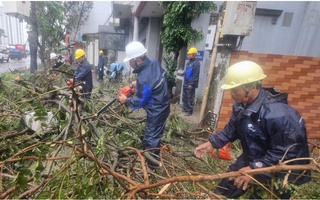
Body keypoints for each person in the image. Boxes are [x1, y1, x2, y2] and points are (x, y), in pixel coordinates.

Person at [194, 61, 311, 198]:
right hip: (254, 156)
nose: (231, 94)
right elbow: (232, 129)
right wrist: (212, 143)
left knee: (261, 195)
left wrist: (255, 169)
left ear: (250, 86)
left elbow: (288, 153)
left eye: (235, 89)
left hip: (279, 171)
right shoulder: (241, 105)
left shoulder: (278, 115)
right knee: (227, 184)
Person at [117, 41, 170, 169]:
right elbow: (153, 81)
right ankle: (148, 157)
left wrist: (126, 100)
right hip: (162, 103)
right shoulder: (153, 63)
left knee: (151, 138)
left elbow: (139, 102)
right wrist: (138, 84)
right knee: (153, 134)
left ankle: (152, 167)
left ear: (138, 60)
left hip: (157, 109)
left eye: (130, 60)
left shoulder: (144, 77)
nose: (129, 63)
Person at [182, 47, 200, 116]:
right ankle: (185, 108)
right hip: (186, 82)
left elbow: (196, 74)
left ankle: (189, 111)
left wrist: (192, 84)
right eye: (188, 54)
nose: (188, 55)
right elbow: (188, 71)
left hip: (190, 83)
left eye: (189, 54)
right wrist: (184, 73)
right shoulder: (188, 63)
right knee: (185, 96)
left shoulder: (196, 63)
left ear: (193, 55)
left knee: (190, 98)